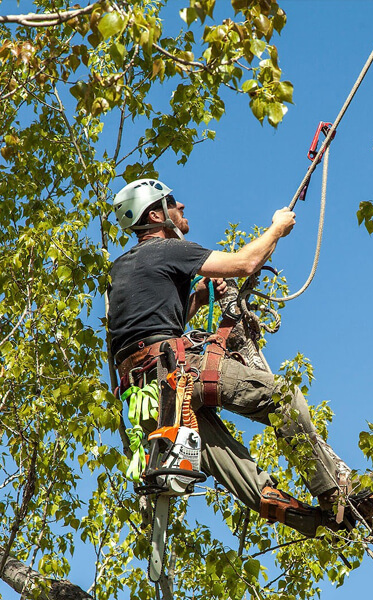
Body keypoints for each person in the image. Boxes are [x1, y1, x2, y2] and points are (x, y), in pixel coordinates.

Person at [107, 178, 349, 536]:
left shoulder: (120, 268)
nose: (182, 207)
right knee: (283, 398)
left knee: (234, 466)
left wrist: (199, 299)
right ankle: (333, 492)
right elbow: (247, 262)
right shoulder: (167, 249)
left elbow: (145, 328)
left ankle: (316, 525)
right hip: (177, 372)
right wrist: (277, 229)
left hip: (146, 398)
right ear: (156, 215)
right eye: (172, 201)